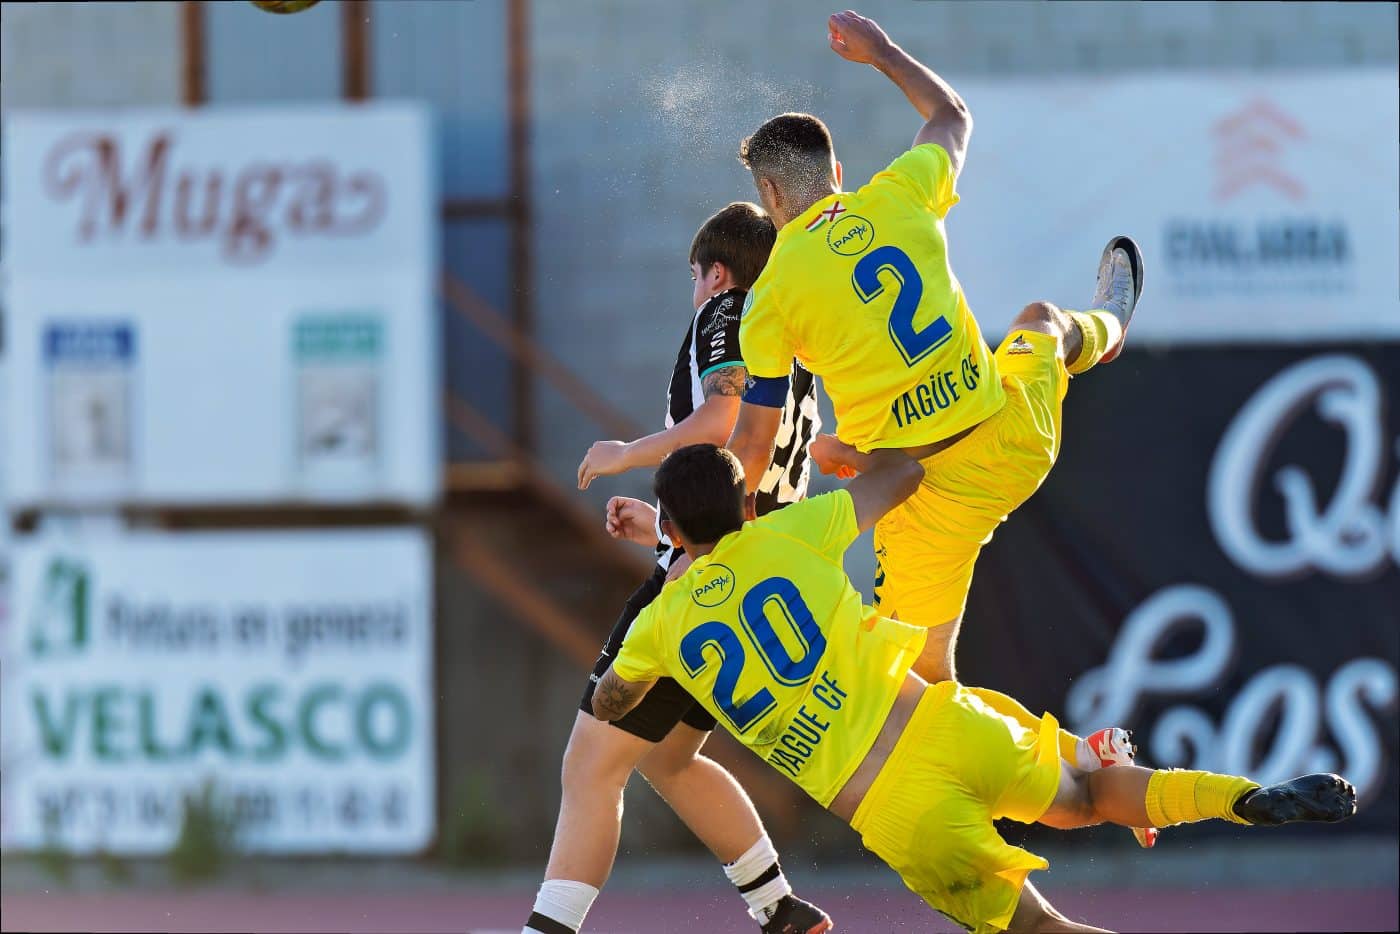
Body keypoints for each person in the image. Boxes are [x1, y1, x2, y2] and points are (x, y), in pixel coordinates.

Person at [592, 443, 1357, 934]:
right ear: (748, 506)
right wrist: (858, 453)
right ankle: (1240, 799)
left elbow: (611, 704)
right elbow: (905, 475)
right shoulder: (787, 533)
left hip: (894, 808)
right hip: (944, 725)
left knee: (1042, 930)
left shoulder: (659, 625)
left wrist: (669, 617)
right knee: (1092, 796)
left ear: (671, 528)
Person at [724, 10, 1155, 843]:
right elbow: (953, 116)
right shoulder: (898, 193)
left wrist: (736, 530)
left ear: (770, 197)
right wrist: (882, 53)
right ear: (837, 171)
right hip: (1015, 429)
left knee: (928, 684)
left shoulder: (771, 299)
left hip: (930, 496)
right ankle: (1104, 329)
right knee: (1039, 320)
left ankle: (1077, 763)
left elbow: (754, 441)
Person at [526, 203, 828, 934]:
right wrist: (664, 530)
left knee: (589, 765)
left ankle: (546, 932)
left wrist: (624, 451)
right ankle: (778, 908)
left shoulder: (729, 308)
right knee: (668, 757)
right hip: (759, 576)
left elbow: (720, 426)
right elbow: (747, 485)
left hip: (700, 592)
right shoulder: (791, 340)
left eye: (695, 279)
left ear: (716, 272)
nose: (695, 293)